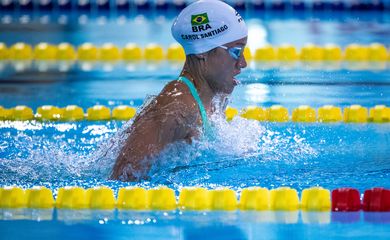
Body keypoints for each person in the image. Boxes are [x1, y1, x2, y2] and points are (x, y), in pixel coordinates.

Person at [111, 0, 248, 181]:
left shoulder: (213, 97)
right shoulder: (177, 107)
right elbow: (122, 177)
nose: (243, 63)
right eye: (236, 52)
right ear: (202, 51)